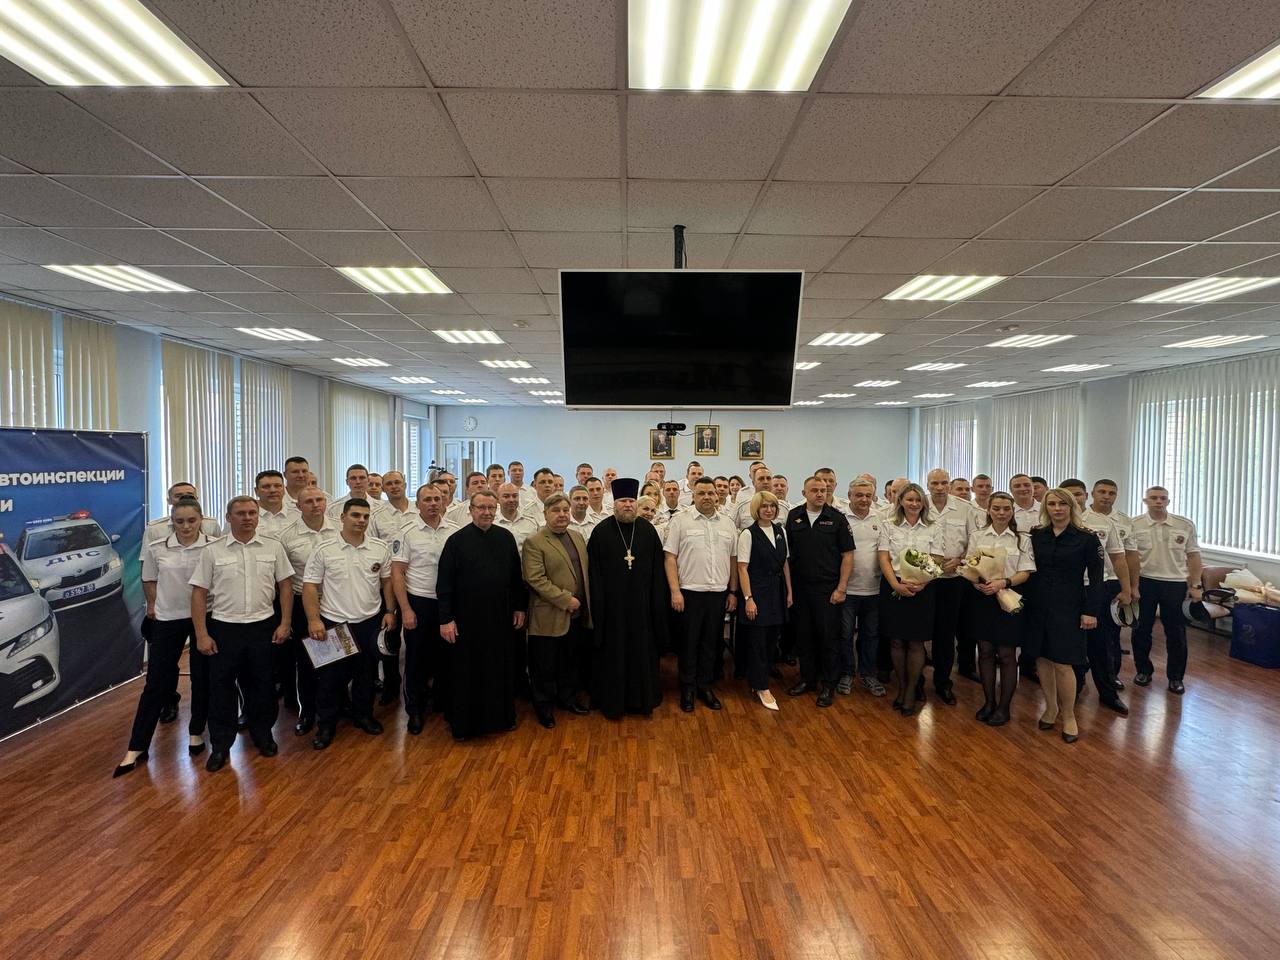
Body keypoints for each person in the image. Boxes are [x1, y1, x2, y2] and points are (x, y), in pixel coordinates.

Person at [189, 496, 293, 772]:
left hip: (263, 626)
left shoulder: (273, 547)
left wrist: (285, 623)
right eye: (241, 513)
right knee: (221, 688)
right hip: (225, 627)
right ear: (228, 517)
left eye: (252, 513)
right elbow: (199, 593)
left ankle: (263, 735)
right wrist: (201, 634)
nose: (247, 518)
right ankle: (221, 745)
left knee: (263, 685)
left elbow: (285, 585)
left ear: (258, 516)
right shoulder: (212, 551)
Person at [114, 497, 215, 777]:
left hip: (206, 617)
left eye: (191, 520)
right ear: (172, 522)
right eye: (179, 521)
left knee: (202, 678)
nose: (186, 526)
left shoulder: (214, 546)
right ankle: (137, 745)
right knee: (156, 683)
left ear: (201, 519)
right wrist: (152, 605)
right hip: (168, 619)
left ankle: (196, 732)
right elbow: (149, 579)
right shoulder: (157, 548)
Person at [302, 499, 397, 750]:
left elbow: (387, 581)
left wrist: (390, 611)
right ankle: (326, 725)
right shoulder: (324, 549)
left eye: (365, 516)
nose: (361, 521)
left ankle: (363, 715)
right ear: (343, 517)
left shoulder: (379, 548)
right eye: (355, 515)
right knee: (330, 679)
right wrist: (313, 619)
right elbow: (310, 586)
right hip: (335, 623)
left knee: (366, 674)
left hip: (369, 621)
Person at [435, 490, 526, 740]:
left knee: (498, 669)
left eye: (491, 508)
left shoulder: (506, 537)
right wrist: (446, 619)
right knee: (467, 672)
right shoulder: (456, 541)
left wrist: (519, 607)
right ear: (471, 510)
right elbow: (444, 584)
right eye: (481, 508)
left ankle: (501, 718)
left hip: (499, 618)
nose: (487, 512)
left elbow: (515, 578)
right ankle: (465, 725)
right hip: (466, 620)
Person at [1025, 489, 1104, 743]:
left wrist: (1091, 611)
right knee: (1042, 659)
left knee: (1063, 662)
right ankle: (1051, 708)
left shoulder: (1086, 538)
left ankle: (1069, 715)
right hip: (1038, 605)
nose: (1057, 509)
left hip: (1068, 607)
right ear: (1045, 507)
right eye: (1052, 504)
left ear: (1071, 507)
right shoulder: (1037, 535)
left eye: (1062, 504)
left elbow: (1097, 578)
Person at [589, 478, 667, 719]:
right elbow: (594, 575)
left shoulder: (648, 531)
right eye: (623, 501)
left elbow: (658, 572)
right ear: (615, 503)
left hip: (642, 608)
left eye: (631, 501)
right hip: (613, 610)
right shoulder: (601, 532)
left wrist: (656, 604)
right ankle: (614, 701)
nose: (628, 505)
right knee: (615, 654)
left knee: (642, 653)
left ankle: (642, 699)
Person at [665, 477, 739, 712]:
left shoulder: (727, 524)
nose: (706, 497)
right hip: (689, 593)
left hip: (718, 593)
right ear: (693, 496)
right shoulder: (680, 521)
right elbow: (670, 558)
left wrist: (733, 591)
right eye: (701, 493)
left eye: (710, 493)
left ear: (717, 496)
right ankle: (687, 687)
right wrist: (675, 591)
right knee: (689, 643)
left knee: (711, 643)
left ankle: (705, 686)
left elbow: (733, 560)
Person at [391, 482, 457, 734]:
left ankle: (441, 700)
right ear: (417, 504)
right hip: (419, 602)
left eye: (437, 499)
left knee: (446, 656)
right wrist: (405, 609)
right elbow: (397, 573)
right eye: (427, 500)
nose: (433, 504)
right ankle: (415, 710)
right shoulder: (406, 533)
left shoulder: (455, 531)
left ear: (444, 502)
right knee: (416, 659)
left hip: (448, 603)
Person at [963, 493, 1035, 726]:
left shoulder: (1022, 539)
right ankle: (989, 702)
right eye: (996, 508)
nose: (1001, 513)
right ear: (988, 510)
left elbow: (1025, 572)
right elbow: (969, 566)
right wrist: (976, 583)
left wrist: (1003, 583)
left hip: (1009, 598)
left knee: (1006, 654)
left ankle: (1004, 707)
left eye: (1006, 508)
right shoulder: (977, 536)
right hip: (983, 598)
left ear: (1012, 511)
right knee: (984, 651)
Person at [783, 476, 855, 707]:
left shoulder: (837, 518)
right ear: (804, 493)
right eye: (814, 490)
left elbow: (848, 556)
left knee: (828, 638)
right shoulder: (794, 516)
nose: (820, 494)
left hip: (827, 589)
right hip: (800, 588)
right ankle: (808, 679)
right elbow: (787, 555)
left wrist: (841, 588)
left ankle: (829, 684)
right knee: (804, 637)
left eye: (823, 490)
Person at [522, 493, 592, 728]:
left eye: (565, 510)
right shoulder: (535, 542)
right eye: (556, 510)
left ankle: (568, 699)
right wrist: (565, 600)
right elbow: (535, 579)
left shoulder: (577, 537)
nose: (562, 515)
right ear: (545, 514)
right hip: (549, 615)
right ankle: (544, 708)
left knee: (569, 661)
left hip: (576, 615)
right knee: (544, 666)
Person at [1063, 478, 1132, 715]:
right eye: (1069, 495)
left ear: (1086, 495)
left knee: (1101, 644)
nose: (1075, 499)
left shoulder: (1102, 522)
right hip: (1066, 592)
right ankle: (1075, 688)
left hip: (1096, 589)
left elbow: (1119, 558)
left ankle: (1108, 693)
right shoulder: (1053, 523)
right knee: (1071, 644)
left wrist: (1126, 589)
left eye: (1079, 494)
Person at [277, 486, 340, 736]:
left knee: (338, 658)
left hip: (337, 602)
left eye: (319, 500)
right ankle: (308, 711)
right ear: (298, 506)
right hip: (303, 604)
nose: (316, 505)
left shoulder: (339, 528)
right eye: (309, 501)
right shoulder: (287, 536)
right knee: (306, 662)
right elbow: (283, 578)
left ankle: (336, 706)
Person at [877, 483, 942, 717]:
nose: (914, 504)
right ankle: (902, 688)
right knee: (896, 641)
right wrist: (895, 584)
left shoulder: (934, 526)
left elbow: (937, 558)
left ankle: (912, 691)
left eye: (918, 500)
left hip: (923, 589)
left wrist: (922, 582)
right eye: (909, 499)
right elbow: (883, 557)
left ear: (923, 503)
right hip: (894, 586)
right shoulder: (889, 525)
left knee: (916, 643)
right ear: (901, 502)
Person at [1130, 486, 1202, 695]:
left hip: (1175, 583)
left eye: (1163, 498)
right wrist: (1131, 586)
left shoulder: (1184, 524)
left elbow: (1194, 556)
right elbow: (1129, 557)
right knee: (1141, 630)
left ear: (1168, 502)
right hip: (1145, 582)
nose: (1158, 501)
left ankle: (1176, 677)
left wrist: (1196, 585)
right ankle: (1143, 671)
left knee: (1176, 632)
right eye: (1153, 498)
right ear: (1145, 501)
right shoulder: (1134, 524)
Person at [736, 490, 792, 710]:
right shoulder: (748, 534)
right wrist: (748, 598)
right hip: (757, 592)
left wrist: (789, 591)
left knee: (771, 639)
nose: (769, 510)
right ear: (756, 509)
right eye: (764, 506)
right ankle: (761, 686)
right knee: (758, 642)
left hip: (777, 592)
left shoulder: (780, 531)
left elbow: (785, 563)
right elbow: (742, 568)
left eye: (772, 506)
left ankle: (759, 678)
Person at [1090, 478, 1141, 680]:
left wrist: (1132, 587)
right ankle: (1082, 676)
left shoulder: (1124, 520)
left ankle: (1112, 677)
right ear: (1092, 494)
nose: (1106, 496)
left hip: (1115, 582)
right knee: (1087, 632)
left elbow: (1131, 556)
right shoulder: (1081, 517)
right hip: (1090, 582)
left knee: (1111, 633)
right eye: (1102, 492)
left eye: (1111, 493)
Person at [840, 480, 886, 697]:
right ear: (849, 495)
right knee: (845, 634)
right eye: (859, 495)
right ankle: (847, 673)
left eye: (868, 495)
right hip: (847, 589)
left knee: (871, 635)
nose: (864, 499)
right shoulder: (840, 518)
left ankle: (869, 674)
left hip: (874, 589)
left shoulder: (881, 518)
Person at [146, 481, 222, 542]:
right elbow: (146, 556)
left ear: (197, 498)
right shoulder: (154, 529)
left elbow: (219, 551)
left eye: (190, 495)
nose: (185, 498)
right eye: (178, 496)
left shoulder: (212, 524)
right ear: (169, 501)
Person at [254, 470, 294, 539]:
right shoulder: (246, 517)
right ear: (256, 491)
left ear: (284, 490)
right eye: (266, 486)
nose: (272, 490)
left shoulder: (298, 515)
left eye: (277, 486)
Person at [734, 466, 773, 530]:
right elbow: (733, 528)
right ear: (753, 483)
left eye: (768, 478)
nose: (765, 482)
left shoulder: (782, 507)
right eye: (761, 479)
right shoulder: (743, 506)